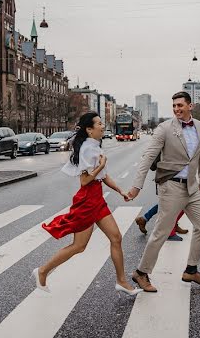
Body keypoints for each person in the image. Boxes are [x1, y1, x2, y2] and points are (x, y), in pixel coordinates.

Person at [35, 112, 140, 296]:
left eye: (101, 123)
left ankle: (121, 281)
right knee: (79, 246)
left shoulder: (95, 146)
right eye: (99, 124)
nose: (102, 126)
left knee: (116, 238)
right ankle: (42, 271)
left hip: (97, 198)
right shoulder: (86, 149)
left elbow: (103, 176)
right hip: (87, 200)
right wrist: (100, 165)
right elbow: (84, 181)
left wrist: (120, 190)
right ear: (89, 130)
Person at [127, 92, 200, 293]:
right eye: (174, 106)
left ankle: (191, 269)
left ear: (190, 106)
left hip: (191, 187)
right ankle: (141, 272)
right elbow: (148, 157)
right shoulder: (164, 129)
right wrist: (136, 186)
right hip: (171, 186)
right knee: (161, 232)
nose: (176, 109)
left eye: (180, 105)